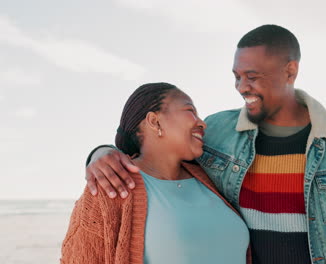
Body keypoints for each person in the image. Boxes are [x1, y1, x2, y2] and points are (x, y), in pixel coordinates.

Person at [85, 25, 326, 264]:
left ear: (290, 70)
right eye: (237, 76)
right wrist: (101, 153)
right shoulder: (220, 130)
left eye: (253, 76)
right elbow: (154, 154)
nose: (242, 87)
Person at [62, 83, 250, 264]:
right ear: (154, 121)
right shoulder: (111, 186)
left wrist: (100, 150)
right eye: (190, 111)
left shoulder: (212, 176)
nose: (202, 123)